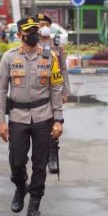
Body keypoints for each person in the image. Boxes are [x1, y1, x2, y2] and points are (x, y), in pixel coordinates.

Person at [0, 17, 64, 216]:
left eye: (35, 30)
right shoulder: (9, 58)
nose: (33, 34)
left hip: (43, 116)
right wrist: (0, 121)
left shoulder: (49, 57)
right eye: (28, 32)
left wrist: (58, 119)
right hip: (18, 117)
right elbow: (1, 90)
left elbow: (56, 89)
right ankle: (19, 186)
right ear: (19, 35)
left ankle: (34, 206)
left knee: (40, 164)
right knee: (17, 161)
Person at [36, 13, 69, 175]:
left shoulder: (56, 44)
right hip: (37, 90)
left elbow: (63, 68)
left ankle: (53, 156)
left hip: (54, 90)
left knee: (55, 123)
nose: (43, 26)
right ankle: (39, 156)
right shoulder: (31, 43)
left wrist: (65, 90)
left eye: (45, 24)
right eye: (40, 24)